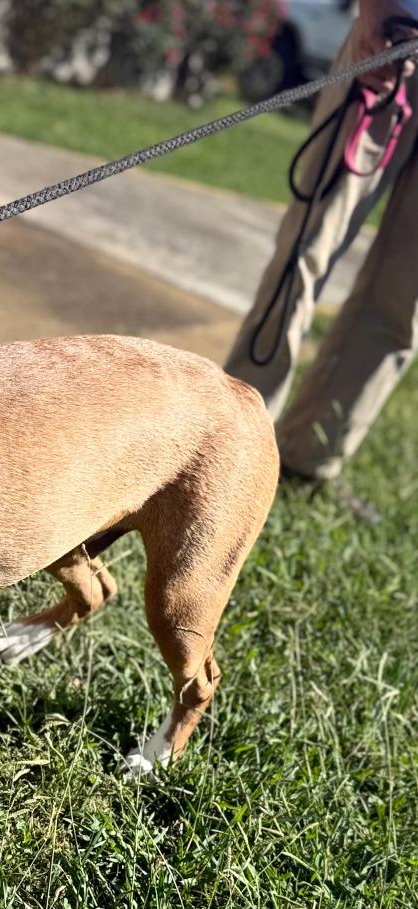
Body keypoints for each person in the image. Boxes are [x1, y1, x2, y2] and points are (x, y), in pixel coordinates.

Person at [224, 0, 418, 522]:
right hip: (399, 39)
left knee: (407, 299)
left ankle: (312, 459)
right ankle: (232, 438)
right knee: (307, 250)